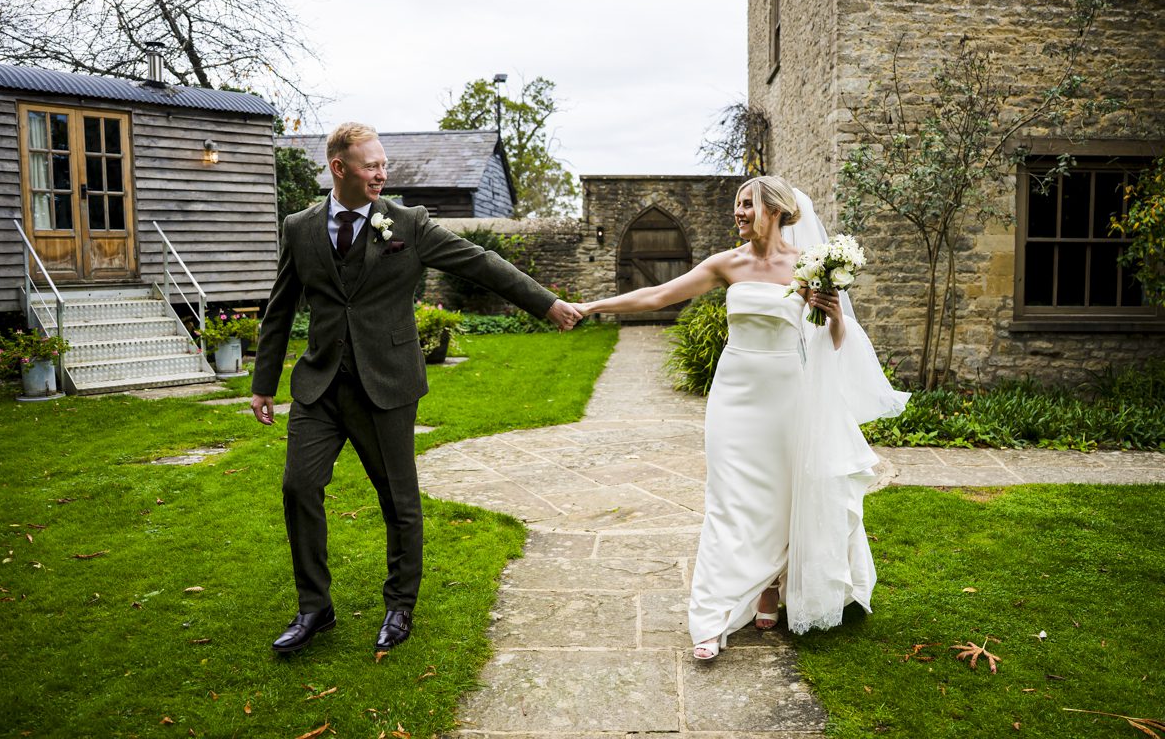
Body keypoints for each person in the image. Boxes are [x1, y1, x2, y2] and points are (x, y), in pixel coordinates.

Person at [251, 122, 582, 655]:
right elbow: (281, 305)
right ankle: (315, 607)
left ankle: (399, 605)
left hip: (387, 384)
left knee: (399, 501)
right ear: (339, 168)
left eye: (383, 164)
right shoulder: (300, 227)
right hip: (319, 385)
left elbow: (481, 263)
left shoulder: (408, 223)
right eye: (371, 165)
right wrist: (264, 383)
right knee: (298, 488)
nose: (382, 173)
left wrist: (546, 303)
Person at [573, 176, 907, 660]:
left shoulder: (811, 266)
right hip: (734, 397)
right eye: (737, 204)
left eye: (748, 204)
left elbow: (833, 342)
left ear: (775, 210)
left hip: (789, 397)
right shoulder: (727, 263)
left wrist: (834, 313)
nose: (739, 212)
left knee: (783, 498)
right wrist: (591, 306)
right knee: (728, 502)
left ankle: (769, 588)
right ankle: (711, 619)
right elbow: (656, 296)